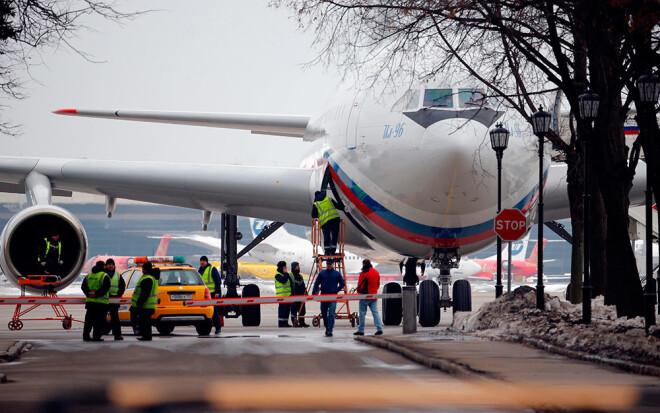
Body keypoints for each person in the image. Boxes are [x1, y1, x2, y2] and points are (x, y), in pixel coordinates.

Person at [312, 259, 345, 337]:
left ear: (333, 264)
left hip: (333, 297)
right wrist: (314, 292)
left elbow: (342, 283)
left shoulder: (337, 274)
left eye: (330, 264)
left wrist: (335, 290)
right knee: (323, 314)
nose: (329, 265)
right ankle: (327, 327)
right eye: (327, 264)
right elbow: (316, 283)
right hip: (324, 297)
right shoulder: (322, 273)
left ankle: (330, 330)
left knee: (331, 314)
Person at [81, 260, 110, 342]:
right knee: (99, 321)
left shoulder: (88, 276)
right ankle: (96, 337)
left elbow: (83, 286)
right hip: (101, 303)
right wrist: (96, 294)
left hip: (90, 302)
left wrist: (88, 294)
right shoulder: (104, 276)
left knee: (88, 321)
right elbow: (106, 287)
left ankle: (86, 336)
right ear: (103, 267)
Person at [354, 259, 383, 336]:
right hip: (373, 295)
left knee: (362, 314)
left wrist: (359, 291)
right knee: (375, 312)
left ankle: (361, 330)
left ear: (364, 264)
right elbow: (378, 284)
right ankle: (379, 328)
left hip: (365, 296)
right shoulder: (376, 272)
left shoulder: (364, 273)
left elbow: (360, 285)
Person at [130, 262, 158, 341]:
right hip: (149, 305)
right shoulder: (152, 277)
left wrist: (139, 302)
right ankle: (147, 336)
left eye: (142, 268)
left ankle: (146, 336)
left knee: (145, 322)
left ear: (144, 269)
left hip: (145, 305)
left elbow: (145, 293)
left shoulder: (147, 278)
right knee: (147, 322)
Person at [311, 191, 341, 256]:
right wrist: (344, 208)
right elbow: (337, 206)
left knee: (326, 237)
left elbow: (313, 216)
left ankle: (327, 251)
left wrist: (319, 217)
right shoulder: (329, 199)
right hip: (335, 219)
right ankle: (333, 251)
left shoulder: (316, 204)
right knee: (334, 235)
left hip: (325, 222)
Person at [199, 256, 222, 334]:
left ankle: (218, 328)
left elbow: (218, 281)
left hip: (212, 294)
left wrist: (217, 292)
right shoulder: (200, 270)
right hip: (203, 294)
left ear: (206, 262)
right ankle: (204, 329)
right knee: (204, 311)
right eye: (201, 261)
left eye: (203, 261)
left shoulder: (212, 269)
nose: (201, 262)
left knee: (214, 311)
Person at [105, 258, 126, 341]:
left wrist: (119, 294)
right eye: (109, 264)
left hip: (114, 299)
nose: (111, 266)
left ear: (114, 266)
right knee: (101, 318)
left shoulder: (118, 275)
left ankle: (117, 335)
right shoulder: (103, 274)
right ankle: (99, 333)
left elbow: (122, 286)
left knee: (115, 319)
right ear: (106, 265)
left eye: (112, 264)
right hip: (105, 299)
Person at [274, 260, 295, 327]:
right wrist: (286, 273)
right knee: (282, 310)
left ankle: (285, 322)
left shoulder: (285, 274)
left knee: (287, 310)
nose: (285, 269)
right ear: (281, 268)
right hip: (282, 296)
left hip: (288, 296)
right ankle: (281, 323)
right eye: (284, 267)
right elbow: (283, 281)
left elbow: (290, 283)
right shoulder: (277, 275)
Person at [289, 261, 309, 328]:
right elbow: (290, 286)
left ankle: (302, 322)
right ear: (294, 267)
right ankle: (295, 323)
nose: (299, 267)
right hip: (295, 296)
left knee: (302, 310)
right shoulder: (291, 275)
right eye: (297, 266)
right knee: (294, 311)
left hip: (301, 296)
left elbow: (303, 285)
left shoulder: (300, 276)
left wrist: (305, 292)